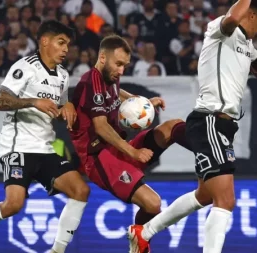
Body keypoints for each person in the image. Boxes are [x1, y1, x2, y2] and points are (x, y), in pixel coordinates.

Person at [127, 0, 257, 252]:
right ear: (251, 14)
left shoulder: (248, 46)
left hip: (224, 126)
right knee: (225, 199)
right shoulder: (220, 29)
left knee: (204, 195)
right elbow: (233, 19)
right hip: (210, 120)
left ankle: (144, 232)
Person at [0, 21, 90, 253]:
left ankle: (57, 251)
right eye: (61, 43)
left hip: (46, 146)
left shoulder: (62, 75)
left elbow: (57, 109)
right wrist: (33, 101)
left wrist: (67, 107)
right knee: (13, 205)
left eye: (68, 45)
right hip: (18, 146)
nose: (65, 49)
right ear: (44, 41)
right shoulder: (25, 67)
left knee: (81, 190)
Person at [69, 35, 192, 251]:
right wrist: (134, 154)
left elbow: (117, 92)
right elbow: (101, 127)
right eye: (118, 64)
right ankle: (139, 238)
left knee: (172, 127)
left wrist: (142, 103)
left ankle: (207, 151)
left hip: (117, 147)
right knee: (153, 204)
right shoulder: (90, 83)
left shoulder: (110, 75)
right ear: (102, 57)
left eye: (125, 65)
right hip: (99, 157)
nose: (121, 70)